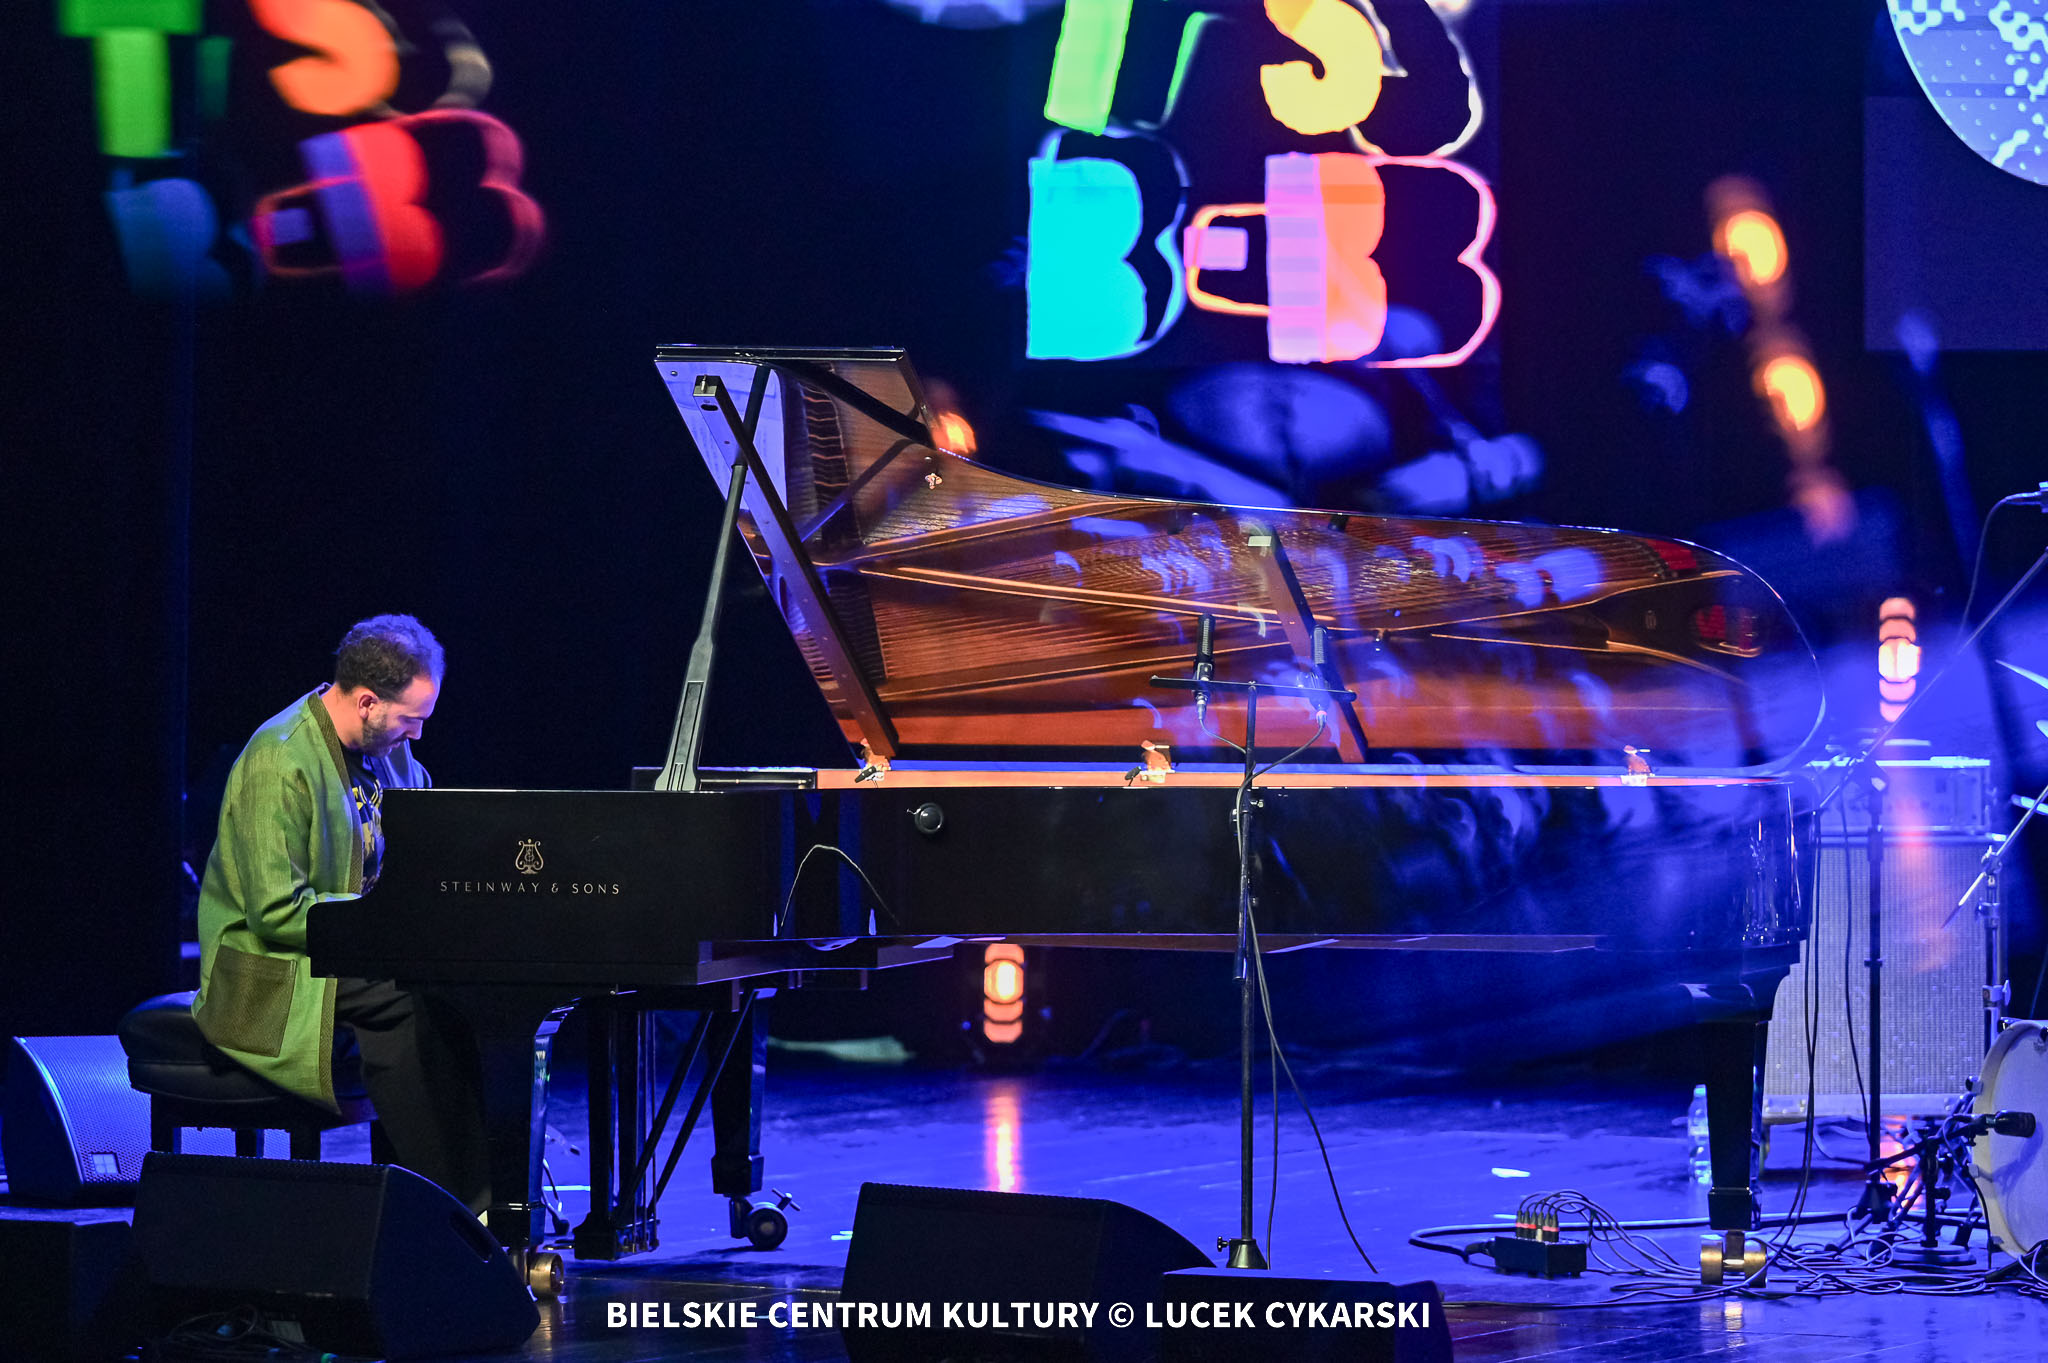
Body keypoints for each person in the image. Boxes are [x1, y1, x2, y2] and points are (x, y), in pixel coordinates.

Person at [192, 613, 487, 1211]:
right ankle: (451, 1206)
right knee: (400, 997)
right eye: (410, 719)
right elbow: (276, 913)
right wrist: (384, 929)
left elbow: (424, 853)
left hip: (351, 951)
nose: (418, 734)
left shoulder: (394, 754)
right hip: (267, 968)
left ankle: (453, 1196)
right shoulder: (278, 761)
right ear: (367, 702)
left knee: (464, 991)